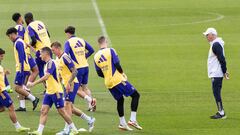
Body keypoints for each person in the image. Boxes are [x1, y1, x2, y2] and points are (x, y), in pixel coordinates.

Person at [94, 36, 142, 130]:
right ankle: (132, 119)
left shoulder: (96, 56)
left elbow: (99, 73)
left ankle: (122, 123)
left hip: (108, 82)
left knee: (120, 100)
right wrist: (122, 73)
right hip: (117, 80)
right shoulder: (111, 50)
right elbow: (117, 64)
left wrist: (107, 75)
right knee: (136, 95)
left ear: (99, 43)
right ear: (106, 41)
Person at [27, 47, 79, 135]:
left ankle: (74, 129)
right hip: (49, 92)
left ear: (46, 54)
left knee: (62, 111)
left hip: (56, 92)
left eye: (41, 53)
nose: (40, 56)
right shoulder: (48, 63)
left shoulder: (51, 63)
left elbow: (47, 76)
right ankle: (39, 131)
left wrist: (33, 83)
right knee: (44, 110)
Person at [51, 41, 95, 134]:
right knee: (71, 107)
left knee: (66, 106)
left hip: (72, 85)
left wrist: (69, 83)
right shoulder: (58, 58)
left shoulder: (65, 57)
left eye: (53, 50)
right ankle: (89, 120)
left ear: (58, 48)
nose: (52, 52)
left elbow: (75, 71)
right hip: (65, 85)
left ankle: (67, 130)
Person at [6, 27, 39, 111]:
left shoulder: (18, 42)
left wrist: (21, 68)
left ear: (13, 34)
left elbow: (22, 56)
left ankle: (34, 99)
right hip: (23, 67)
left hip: (22, 68)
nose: (9, 38)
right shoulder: (19, 41)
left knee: (17, 88)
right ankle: (22, 106)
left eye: (9, 36)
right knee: (21, 87)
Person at [64, 26, 96, 111]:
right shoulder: (81, 40)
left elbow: (65, 55)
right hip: (86, 66)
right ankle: (90, 106)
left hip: (78, 68)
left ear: (68, 33)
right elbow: (92, 50)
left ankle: (91, 101)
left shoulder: (68, 42)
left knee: (77, 89)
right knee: (85, 87)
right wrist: (85, 56)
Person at [0, 48, 30, 133]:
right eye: (1, 56)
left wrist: (4, 72)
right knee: (11, 107)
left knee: (1, 109)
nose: (2, 58)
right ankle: (18, 127)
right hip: (1, 92)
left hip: (2, 91)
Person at [203, 27, 229, 119]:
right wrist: (224, 70)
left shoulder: (216, 45)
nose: (206, 37)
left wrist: (225, 71)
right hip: (216, 73)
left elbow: (221, 58)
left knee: (216, 93)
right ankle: (221, 111)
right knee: (216, 92)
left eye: (207, 35)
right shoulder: (216, 44)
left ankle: (221, 112)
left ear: (213, 35)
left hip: (216, 73)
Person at [24, 12, 51, 94]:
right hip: (49, 48)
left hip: (41, 51)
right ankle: (50, 88)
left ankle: (48, 89)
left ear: (27, 20)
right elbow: (48, 35)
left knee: (41, 70)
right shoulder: (40, 22)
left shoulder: (29, 27)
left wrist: (29, 46)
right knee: (49, 69)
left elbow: (34, 40)